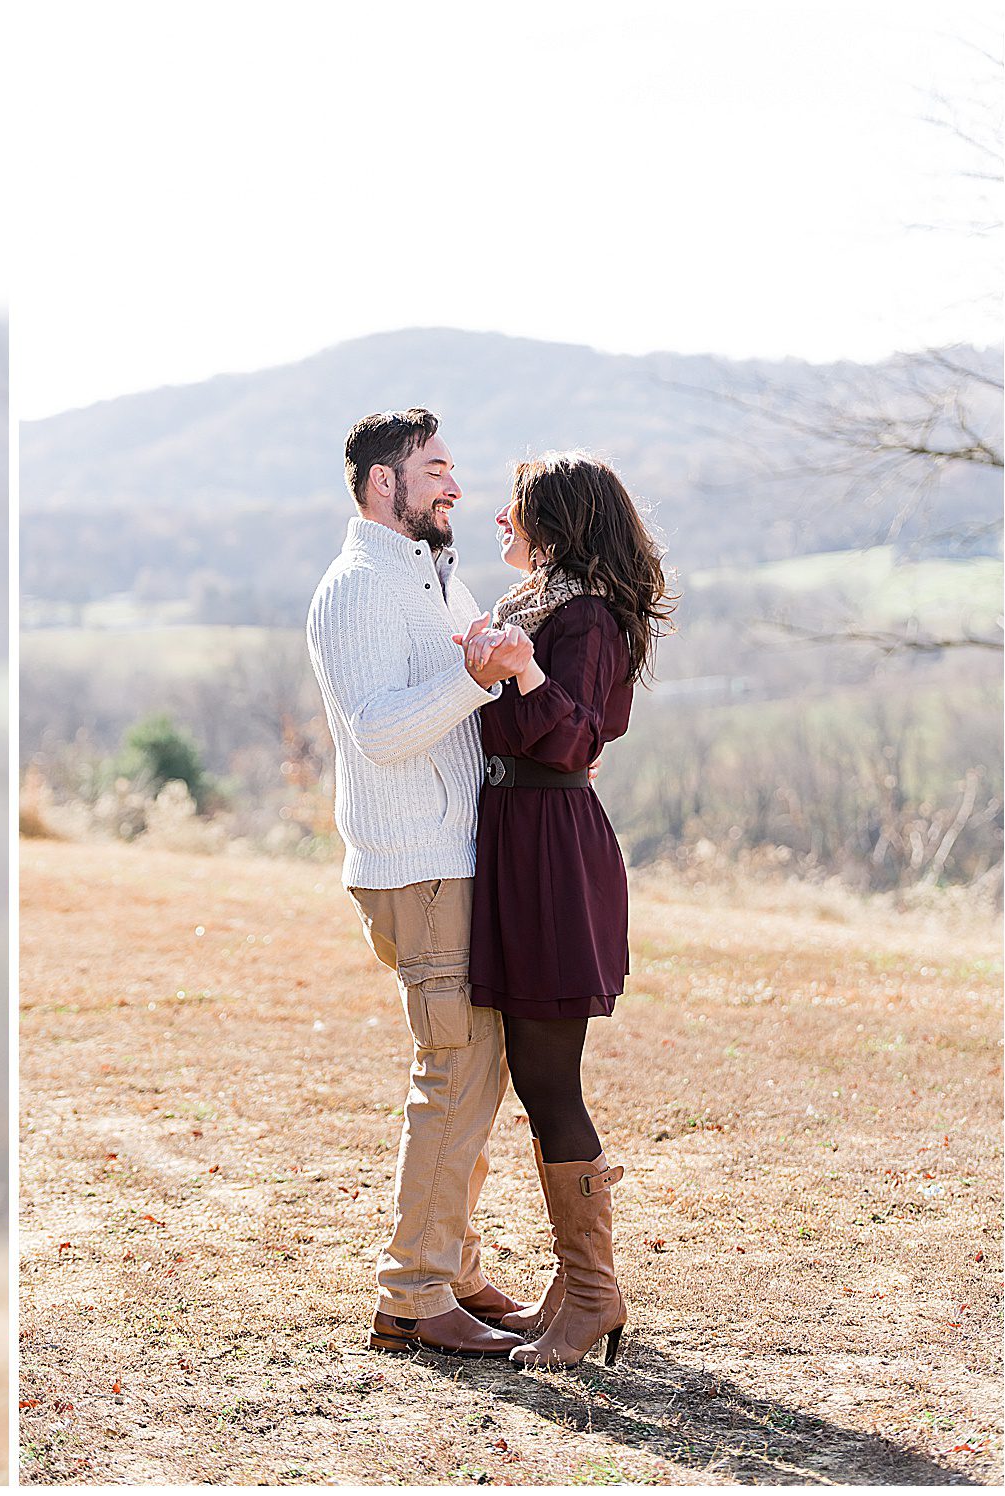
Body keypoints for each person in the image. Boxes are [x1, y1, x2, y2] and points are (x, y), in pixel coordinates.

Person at [305, 408, 537, 1358]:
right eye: (434, 469)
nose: (453, 485)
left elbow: (466, 696)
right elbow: (383, 731)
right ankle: (412, 1295)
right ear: (380, 485)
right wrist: (478, 681)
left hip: (455, 855)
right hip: (417, 863)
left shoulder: (432, 576)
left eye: (452, 468)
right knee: (457, 1072)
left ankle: (456, 1267)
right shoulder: (359, 588)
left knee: (476, 1074)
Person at [457, 451, 675, 1369]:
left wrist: (522, 674)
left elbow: (584, 732)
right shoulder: (533, 608)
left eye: (513, 510)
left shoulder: (583, 618)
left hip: (550, 844)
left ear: (555, 520)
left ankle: (592, 1292)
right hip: (513, 837)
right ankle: (575, 1284)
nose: (497, 522)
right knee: (533, 1075)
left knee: (551, 1082)